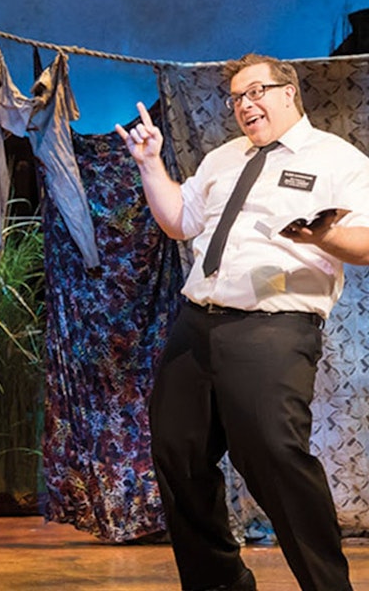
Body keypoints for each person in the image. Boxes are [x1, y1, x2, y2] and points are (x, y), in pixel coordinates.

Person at [116, 53, 369, 591]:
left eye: (256, 92)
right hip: (197, 323)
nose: (245, 105)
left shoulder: (336, 159)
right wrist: (150, 163)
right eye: (236, 98)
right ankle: (220, 584)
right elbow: (179, 223)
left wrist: (323, 235)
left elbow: (366, 240)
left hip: (273, 327)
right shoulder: (223, 158)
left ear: (288, 92)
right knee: (178, 454)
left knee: (275, 456)